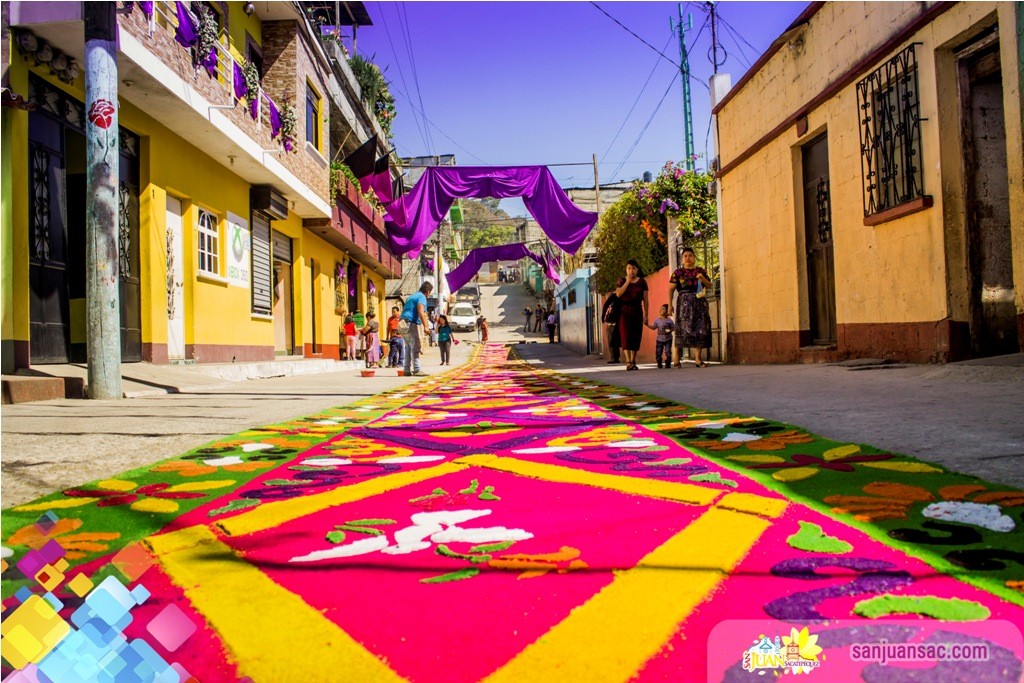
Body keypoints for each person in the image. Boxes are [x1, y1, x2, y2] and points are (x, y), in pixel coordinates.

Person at [669, 246, 714, 368]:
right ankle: (677, 359)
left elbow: (709, 285)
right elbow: (671, 289)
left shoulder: (701, 271)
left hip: (700, 303)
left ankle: (698, 359)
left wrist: (702, 279)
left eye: (690, 256)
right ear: (682, 259)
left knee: (700, 329)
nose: (688, 258)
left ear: (694, 257)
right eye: (685, 256)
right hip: (684, 305)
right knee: (682, 329)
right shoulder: (678, 273)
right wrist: (669, 305)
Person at [614, 259, 649, 371]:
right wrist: (627, 282)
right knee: (626, 336)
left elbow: (646, 300)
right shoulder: (622, 281)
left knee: (636, 335)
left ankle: (633, 360)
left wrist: (646, 315)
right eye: (629, 268)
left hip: (637, 310)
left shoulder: (642, 282)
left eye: (634, 268)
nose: (631, 271)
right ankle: (628, 361)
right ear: (626, 269)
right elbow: (618, 294)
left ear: (637, 270)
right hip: (624, 311)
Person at [400, 281, 433, 376]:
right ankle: (417, 369)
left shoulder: (412, 296)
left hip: (402, 322)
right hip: (410, 322)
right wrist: (426, 327)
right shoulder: (421, 297)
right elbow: (421, 311)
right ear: (428, 292)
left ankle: (406, 370)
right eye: (429, 293)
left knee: (408, 346)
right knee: (415, 346)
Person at [647, 304, 676, 369]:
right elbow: (654, 327)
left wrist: (670, 330)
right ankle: (659, 362)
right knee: (659, 351)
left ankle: (668, 363)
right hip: (659, 339)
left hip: (668, 338)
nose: (660, 310)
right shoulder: (657, 320)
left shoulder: (669, 321)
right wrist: (647, 325)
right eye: (660, 308)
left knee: (668, 351)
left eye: (663, 309)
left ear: (667, 312)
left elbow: (674, 328)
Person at [601, 294, 622, 363]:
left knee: (613, 341)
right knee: (612, 341)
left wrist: (603, 317)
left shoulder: (615, 301)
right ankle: (614, 357)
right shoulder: (614, 301)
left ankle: (615, 358)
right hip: (611, 324)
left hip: (613, 324)